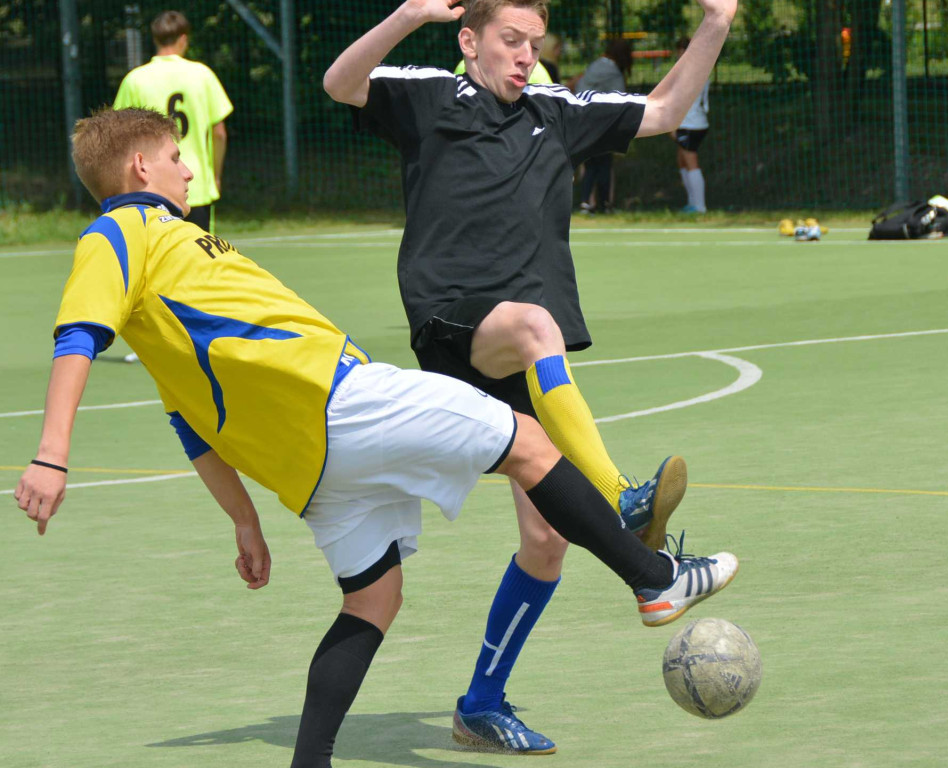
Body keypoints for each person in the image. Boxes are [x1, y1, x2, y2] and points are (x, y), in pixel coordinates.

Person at [12, 107, 738, 768]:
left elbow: (189, 425)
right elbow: (78, 336)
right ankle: (655, 582)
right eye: (176, 155)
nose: (189, 167)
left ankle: (309, 763)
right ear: (141, 168)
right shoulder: (123, 232)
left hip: (310, 470)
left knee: (373, 598)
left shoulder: (171, 265)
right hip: (338, 401)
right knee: (524, 437)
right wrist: (52, 455)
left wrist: (244, 521)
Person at [323, 0, 736, 753]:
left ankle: (483, 701)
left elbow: (669, 108)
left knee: (546, 541)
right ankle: (622, 498)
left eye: (534, 43)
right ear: (470, 39)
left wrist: (717, 21)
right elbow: (340, 82)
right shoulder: (429, 94)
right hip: (456, 324)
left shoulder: (559, 111)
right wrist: (408, 14)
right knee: (535, 321)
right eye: (510, 40)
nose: (523, 55)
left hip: (519, 358)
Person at [113, 10, 232, 234]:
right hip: (195, 184)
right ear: (184, 39)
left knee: (157, 260)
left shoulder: (135, 80)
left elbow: (121, 135)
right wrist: (215, 175)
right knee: (200, 258)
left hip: (151, 186)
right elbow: (219, 134)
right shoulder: (202, 75)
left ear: (155, 39)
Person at [574, 37, 633, 214]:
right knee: (604, 164)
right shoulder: (612, 70)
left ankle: (586, 202)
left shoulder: (596, 65)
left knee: (591, 164)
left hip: (582, 120)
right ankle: (605, 204)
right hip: (600, 122)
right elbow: (620, 98)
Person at [672, 36, 710, 214]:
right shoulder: (701, 67)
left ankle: (699, 206)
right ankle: (692, 202)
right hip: (696, 121)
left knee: (690, 161)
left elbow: (680, 100)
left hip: (690, 123)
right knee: (682, 160)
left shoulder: (689, 71)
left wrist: (672, 124)